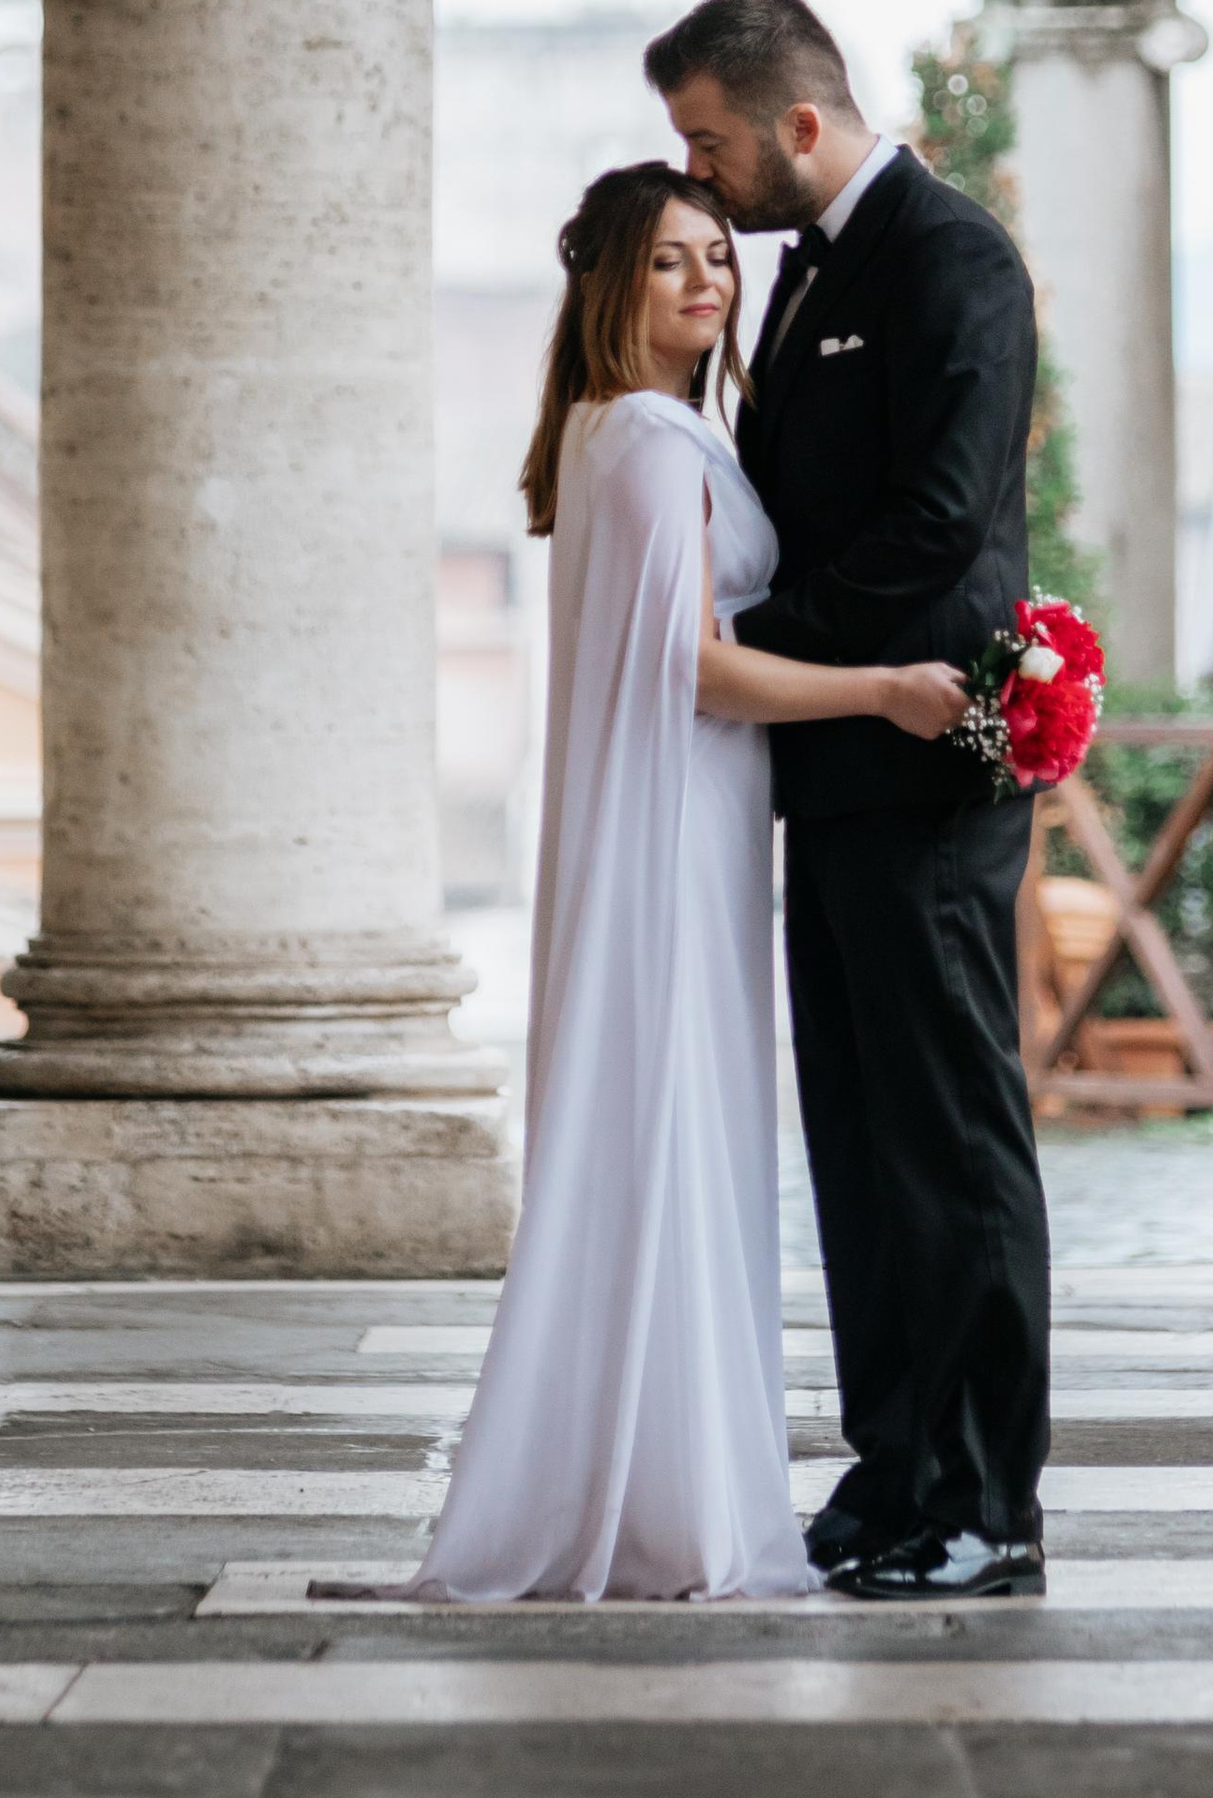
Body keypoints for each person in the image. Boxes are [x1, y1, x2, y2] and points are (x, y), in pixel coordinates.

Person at [412, 162, 969, 1604]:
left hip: (682, 810)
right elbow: (698, 670)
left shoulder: (614, 432)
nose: (708, 280)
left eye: (718, 255)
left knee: (678, 1120)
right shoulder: (655, 443)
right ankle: (676, 1496)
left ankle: (670, 1477)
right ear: (612, 284)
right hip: (679, 812)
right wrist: (885, 689)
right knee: (682, 1114)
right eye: (670, 260)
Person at [648, 0, 1054, 1603]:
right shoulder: (807, 271)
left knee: (948, 1136)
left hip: (927, 764)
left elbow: (939, 526)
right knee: (861, 1142)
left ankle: (986, 1502)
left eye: (710, 142)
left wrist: (747, 643)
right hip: (829, 769)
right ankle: (892, 1472)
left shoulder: (954, 260)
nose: (699, 173)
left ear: (799, 123)